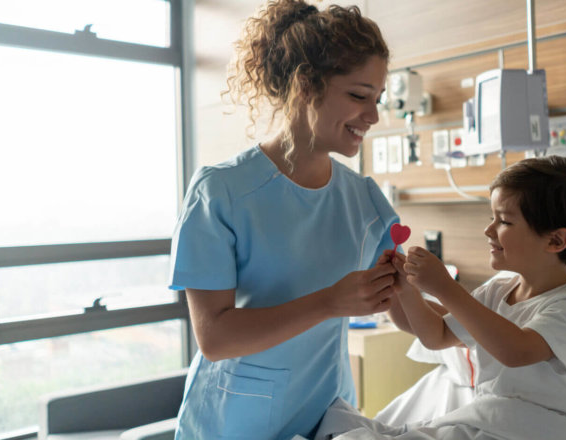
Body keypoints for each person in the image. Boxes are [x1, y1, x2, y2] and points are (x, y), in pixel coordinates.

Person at [167, 1, 399, 439]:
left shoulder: (366, 202)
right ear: (306, 86)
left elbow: (406, 310)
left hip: (327, 417)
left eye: (378, 100)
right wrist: (331, 301)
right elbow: (214, 337)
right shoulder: (222, 193)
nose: (373, 116)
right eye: (358, 96)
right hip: (233, 423)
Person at [315, 156, 566, 440]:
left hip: (560, 431)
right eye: (491, 218)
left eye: (504, 222)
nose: (488, 230)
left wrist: (446, 287)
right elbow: (437, 334)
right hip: (500, 424)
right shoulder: (498, 292)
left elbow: (516, 351)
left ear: (555, 240)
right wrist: (402, 290)